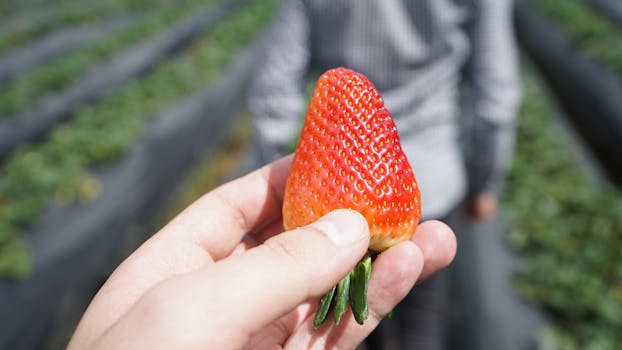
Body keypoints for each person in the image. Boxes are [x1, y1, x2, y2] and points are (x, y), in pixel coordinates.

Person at [247, 0, 520, 348]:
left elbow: (277, 82)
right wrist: (484, 180)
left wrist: (272, 182)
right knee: (421, 321)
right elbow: (496, 92)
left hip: (330, 200)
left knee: (350, 328)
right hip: (426, 185)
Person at [68, 156, 457, 350]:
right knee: (410, 317)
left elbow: (281, 68)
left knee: (372, 309)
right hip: (421, 187)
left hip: (346, 186)